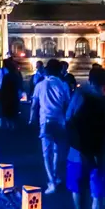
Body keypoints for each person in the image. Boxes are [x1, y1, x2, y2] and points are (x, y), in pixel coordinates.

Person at [65, 66, 105, 209]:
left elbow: (68, 118)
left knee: (77, 188)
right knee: (97, 193)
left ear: (89, 81)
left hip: (77, 152)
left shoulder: (79, 96)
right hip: (99, 153)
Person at [29, 58, 71, 194]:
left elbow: (34, 105)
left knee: (46, 153)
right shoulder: (64, 85)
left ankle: (51, 181)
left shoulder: (40, 85)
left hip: (45, 122)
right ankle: (56, 175)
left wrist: (31, 119)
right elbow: (67, 104)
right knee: (57, 151)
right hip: (60, 121)